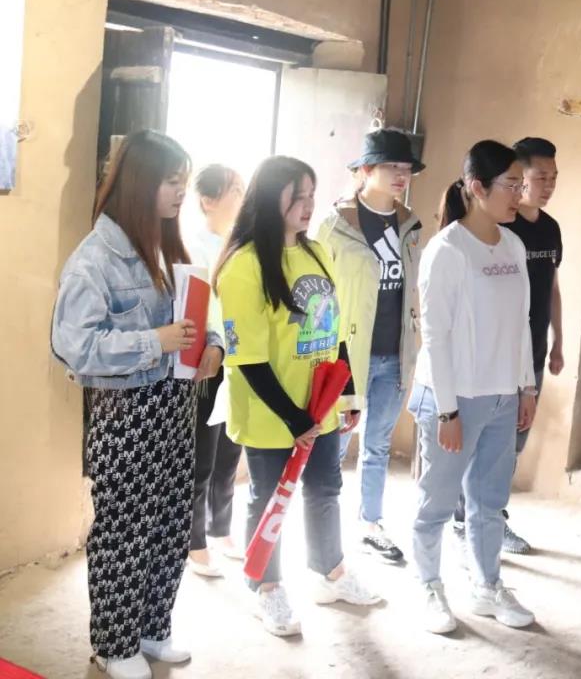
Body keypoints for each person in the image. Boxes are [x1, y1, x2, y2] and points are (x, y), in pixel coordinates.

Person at [51, 130, 223, 679]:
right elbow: (75, 346)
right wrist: (156, 341)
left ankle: (151, 630)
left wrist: (214, 345)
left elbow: (205, 313)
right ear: (140, 183)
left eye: (183, 181)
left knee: (169, 527)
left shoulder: (171, 244)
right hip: (126, 417)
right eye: (171, 182)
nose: (180, 192)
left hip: (174, 409)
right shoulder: (95, 259)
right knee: (123, 534)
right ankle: (113, 643)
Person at [214, 156, 380, 638]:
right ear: (271, 198)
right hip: (273, 415)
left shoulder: (317, 251)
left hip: (320, 408)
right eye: (297, 196)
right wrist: (293, 418)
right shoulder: (244, 266)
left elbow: (333, 329)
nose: (308, 206)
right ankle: (265, 587)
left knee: (326, 488)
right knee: (270, 500)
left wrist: (347, 393)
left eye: (311, 195)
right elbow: (246, 359)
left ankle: (330, 571)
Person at [409, 140, 538, 634]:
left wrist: (526, 387)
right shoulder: (448, 250)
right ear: (477, 188)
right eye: (511, 184)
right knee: (437, 502)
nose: (519, 194)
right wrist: (447, 411)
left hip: (503, 395)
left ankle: (487, 585)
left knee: (488, 501)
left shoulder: (514, 246)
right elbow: (435, 336)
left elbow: (523, 323)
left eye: (521, 184)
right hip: (455, 397)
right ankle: (428, 586)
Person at [450, 137, 563, 555]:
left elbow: (552, 288)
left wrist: (558, 340)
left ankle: (489, 518)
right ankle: (467, 521)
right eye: (538, 177)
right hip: (491, 359)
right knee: (478, 448)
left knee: (510, 448)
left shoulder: (550, 228)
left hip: (530, 356)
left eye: (553, 178)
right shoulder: (498, 229)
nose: (547, 186)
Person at [321, 129, 423, 564]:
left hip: (395, 353)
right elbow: (318, 294)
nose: (401, 175)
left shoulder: (411, 224)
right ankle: (323, 528)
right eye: (391, 167)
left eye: (406, 168)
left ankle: (370, 524)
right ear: (365, 170)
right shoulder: (336, 225)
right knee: (335, 443)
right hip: (347, 353)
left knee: (377, 444)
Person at [186, 164, 245, 577]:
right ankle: (194, 541)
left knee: (230, 449)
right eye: (234, 191)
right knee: (202, 455)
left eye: (243, 189)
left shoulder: (241, 245)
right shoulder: (194, 246)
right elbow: (202, 305)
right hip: (210, 359)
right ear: (208, 201)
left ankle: (221, 528)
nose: (241, 197)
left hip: (240, 358)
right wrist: (216, 345)